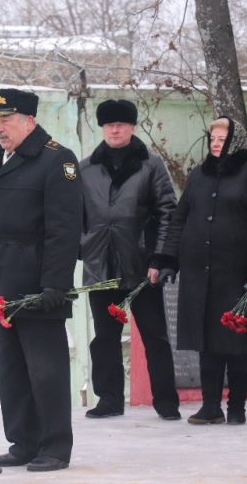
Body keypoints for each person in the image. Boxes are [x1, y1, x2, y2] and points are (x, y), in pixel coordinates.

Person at [0, 88, 83, 472]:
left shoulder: (58, 161)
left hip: (38, 284)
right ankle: (24, 441)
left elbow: (64, 229)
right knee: (12, 371)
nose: (0, 128)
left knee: (46, 371)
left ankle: (54, 446)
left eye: (8, 120)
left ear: (29, 122)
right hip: (3, 281)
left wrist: (55, 285)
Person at [161, 116, 247, 425]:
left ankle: (237, 408)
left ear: (235, 142)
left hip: (239, 274)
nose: (215, 144)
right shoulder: (199, 177)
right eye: (212, 139)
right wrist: (169, 259)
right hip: (200, 274)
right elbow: (179, 219)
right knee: (207, 341)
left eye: (221, 139)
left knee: (237, 341)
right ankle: (210, 406)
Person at [79, 99, 181, 420]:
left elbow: (168, 212)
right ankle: (109, 399)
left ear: (132, 127)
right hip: (101, 266)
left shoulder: (151, 165)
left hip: (142, 265)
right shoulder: (85, 169)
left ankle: (165, 400)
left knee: (154, 335)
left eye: (121, 124)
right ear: (102, 128)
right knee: (104, 337)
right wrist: (84, 248)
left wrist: (160, 258)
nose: (115, 129)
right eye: (109, 124)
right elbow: (72, 216)